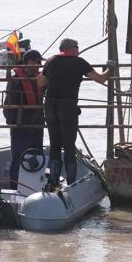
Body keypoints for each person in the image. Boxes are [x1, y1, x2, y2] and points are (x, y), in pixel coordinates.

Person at [37, 38, 116, 189]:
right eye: (77, 47)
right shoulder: (79, 62)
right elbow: (100, 79)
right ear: (71, 49)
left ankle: (52, 181)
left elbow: (40, 82)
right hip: (67, 106)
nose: (78, 50)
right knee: (68, 145)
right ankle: (71, 183)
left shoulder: (51, 61)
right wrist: (110, 68)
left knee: (54, 145)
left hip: (49, 105)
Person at [3, 49, 45, 189]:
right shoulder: (16, 81)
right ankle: (15, 187)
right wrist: (14, 123)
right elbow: (8, 106)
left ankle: (34, 188)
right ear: (28, 62)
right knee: (19, 157)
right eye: (36, 62)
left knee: (36, 155)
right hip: (20, 126)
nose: (38, 66)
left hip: (37, 125)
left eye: (39, 63)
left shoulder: (39, 80)